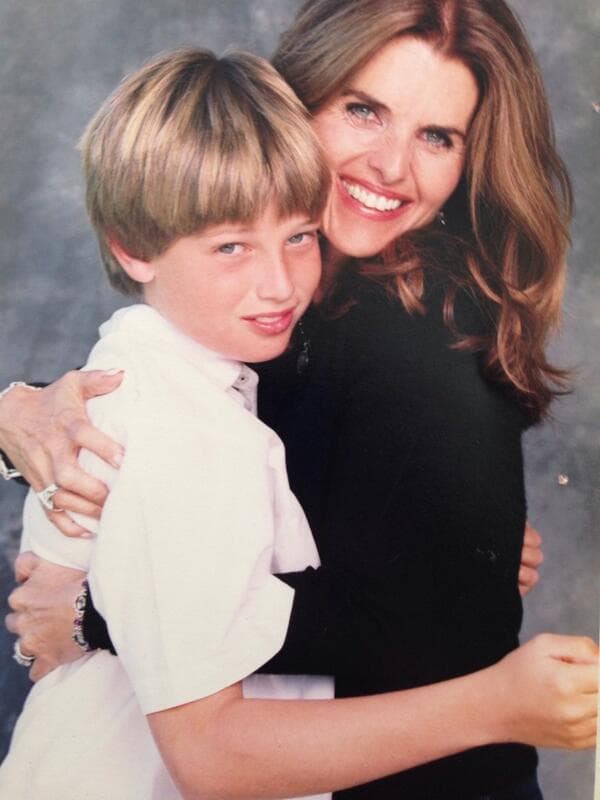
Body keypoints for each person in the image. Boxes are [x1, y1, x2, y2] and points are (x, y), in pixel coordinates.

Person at [1, 1, 598, 798]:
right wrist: (19, 412)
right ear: (299, 100)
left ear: (469, 159)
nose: (390, 167)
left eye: (436, 136)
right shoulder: (279, 294)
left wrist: (96, 615)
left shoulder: (423, 328)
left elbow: (418, 626)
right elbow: (168, 408)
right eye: (363, 110)